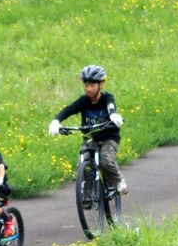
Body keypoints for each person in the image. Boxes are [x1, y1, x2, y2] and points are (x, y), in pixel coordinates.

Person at [48, 65, 127, 194]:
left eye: (92, 86)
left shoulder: (107, 98)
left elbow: (110, 106)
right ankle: (88, 194)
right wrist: (56, 121)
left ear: (100, 85)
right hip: (90, 138)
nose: (88, 89)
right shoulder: (83, 101)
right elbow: (69, 110)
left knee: (106, 161)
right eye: (86, 85)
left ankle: (118, 180)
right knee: (82, 166)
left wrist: (113, 114)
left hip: (108, 137)